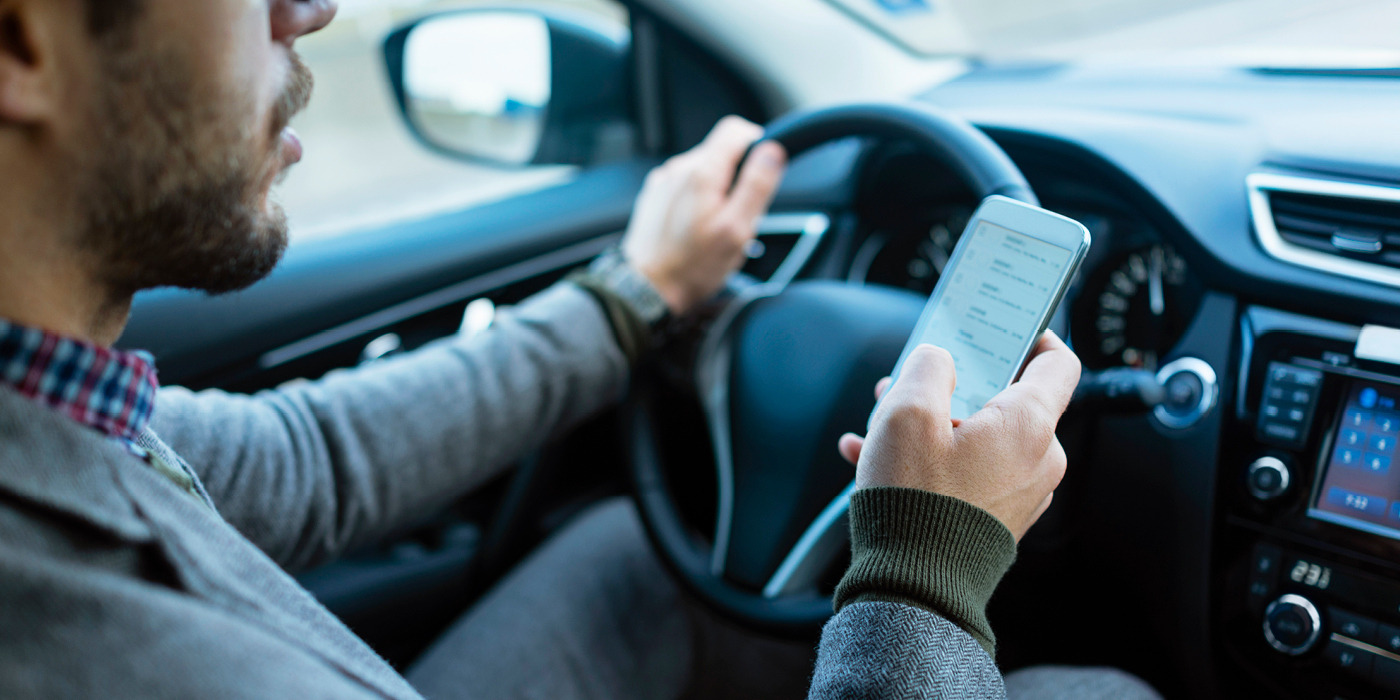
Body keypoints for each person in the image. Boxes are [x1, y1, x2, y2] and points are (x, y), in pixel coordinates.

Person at [0, 0, 1162, 697]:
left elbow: (302, 462)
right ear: (21, 44)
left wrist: (632, 296)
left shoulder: (49, 411)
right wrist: (923, 564)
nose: (312, 7)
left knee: (628, 561)